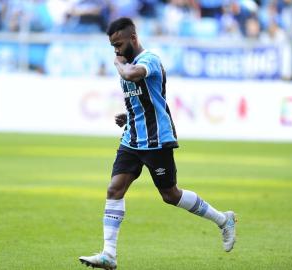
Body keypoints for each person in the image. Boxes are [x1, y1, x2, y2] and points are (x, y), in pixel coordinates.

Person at [79, 17, 237, 270]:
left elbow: (131, 75)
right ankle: (109, 254)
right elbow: (141, 96)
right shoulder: (128, 61)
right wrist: (128, 115)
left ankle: (222, 219)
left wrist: (118, 63)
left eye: (118, 45)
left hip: (156, 140)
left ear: (133, 38)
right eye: (112, 47)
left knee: (170, 194)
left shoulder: (147, 59)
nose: (116, 51)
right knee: (114, 189)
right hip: (132, 138)